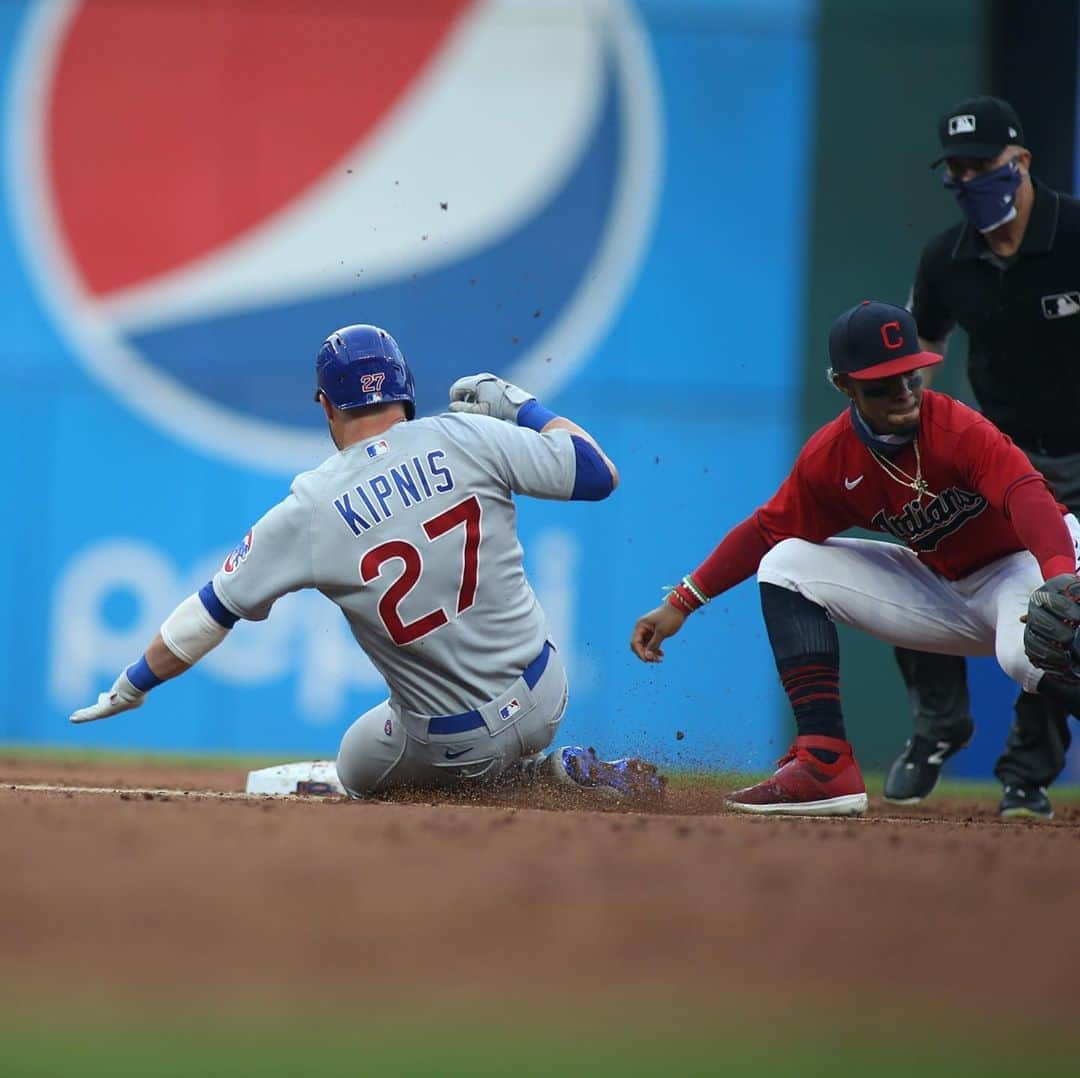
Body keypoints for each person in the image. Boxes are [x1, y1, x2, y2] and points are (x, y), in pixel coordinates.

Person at [70, 325, 663, 801]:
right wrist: (520, 406)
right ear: (404, 388)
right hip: (547, 691)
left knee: (356, 767)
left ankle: (542, 778)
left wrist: (132, 685)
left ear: (326, 405)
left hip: (455, 744)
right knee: (446, 730)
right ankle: (554, 766)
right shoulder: (469, 435)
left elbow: (208, 614)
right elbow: (597, 473)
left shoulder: (310, 506)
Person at [629, 300, 1080, 816]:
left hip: (1025, 563)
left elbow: (1027, 495)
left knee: (1025, 653)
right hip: (945, 586)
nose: (904, 394)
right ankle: (824, 763)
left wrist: (1059, 575)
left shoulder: (956, 428)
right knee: (786, 564)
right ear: (844, 385)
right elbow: (764, 530)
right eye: (882, 385)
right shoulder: (831, 458)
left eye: (910, 376)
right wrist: (684, 601)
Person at [886, 94, 1080, 820]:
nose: (970, 181)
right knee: (919, 540)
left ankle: (1025, 778)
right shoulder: (948, 257)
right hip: (999, 458)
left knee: (1060, 616)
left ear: (1021, 161)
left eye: (983, 166)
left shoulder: (1075, 234)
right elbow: (913, 355)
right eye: (957, 169)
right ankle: (939, 727)